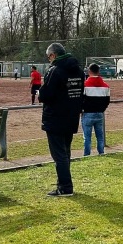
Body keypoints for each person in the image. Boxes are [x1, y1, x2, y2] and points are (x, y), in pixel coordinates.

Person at [38, 42, 84, 196]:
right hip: (71, 117)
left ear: (53, 55)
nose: (48, 60)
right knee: (65, 152)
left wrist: (40, 93)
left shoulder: (55, 70)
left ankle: (65, 187)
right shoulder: (78, 70)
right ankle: (64, 184)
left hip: (55, 118)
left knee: (59, 155)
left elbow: (46, 95)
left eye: (48, 56)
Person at [82, 63, 110, 156]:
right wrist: (102, 109)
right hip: (100, 113)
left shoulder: (85, 85)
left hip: (88, 113)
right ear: (98, 72)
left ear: (89, 71)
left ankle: (87, 154)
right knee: (100, 136)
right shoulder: (106, 86)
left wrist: (82, 109)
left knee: (87, 137)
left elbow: (81, 100)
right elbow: (107, 101)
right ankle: (101, 152)